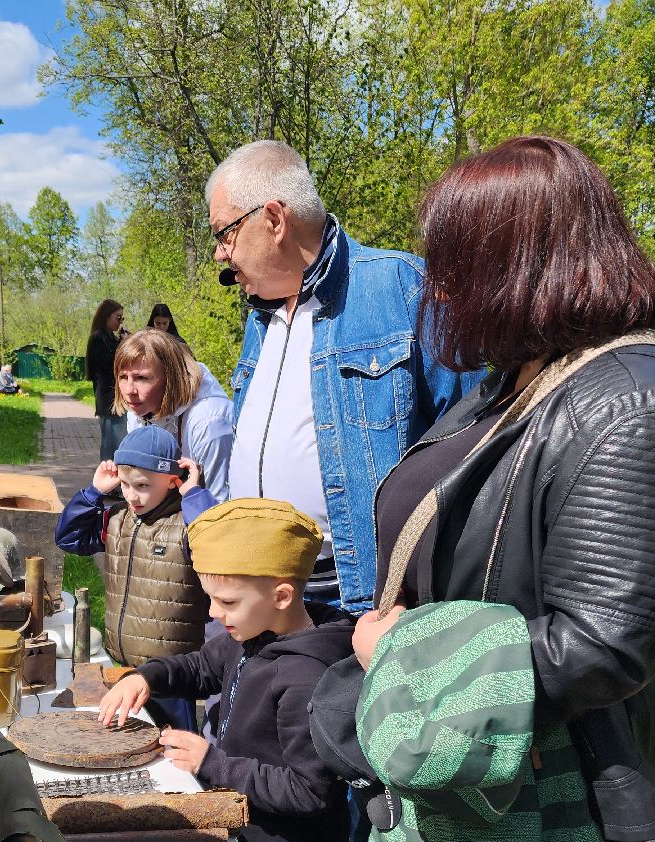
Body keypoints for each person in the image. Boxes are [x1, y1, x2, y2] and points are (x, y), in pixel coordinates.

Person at [316, 135, 655, 842]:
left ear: (523, 259)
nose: (437, 290)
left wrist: (405, 650)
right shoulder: (529, 375)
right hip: (484, 766)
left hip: (546, 794)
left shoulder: (633, 403)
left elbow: (606, 644)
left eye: (454, 265)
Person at [206, 140, 480, 612]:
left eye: (224, 233)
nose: (218, 254)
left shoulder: (403, 287)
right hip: (259, 599)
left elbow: (476, 445)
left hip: (358, 604)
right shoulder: (259, 318)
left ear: (273, 220)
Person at [100, 498, 355, 842]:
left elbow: (311, 793)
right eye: (211, 599)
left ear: (281, 596)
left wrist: (212, 763)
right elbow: (200, 665)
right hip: (246, 823)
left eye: (227, 601)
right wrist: (146, 677)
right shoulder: (251, 634)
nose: (215, 613)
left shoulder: (306, 679)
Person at [54, 424, 214, 730]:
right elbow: (68, 537)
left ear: (172, 481)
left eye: (142, 486)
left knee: (174, 748)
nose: (132, 495)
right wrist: (94, 492)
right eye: (125, 484)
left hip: (172, 675)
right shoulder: (118, 519)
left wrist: (194, 493)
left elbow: (215, 542)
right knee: (131, 737)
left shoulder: (186, 523)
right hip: (123, 667)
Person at [116, 328, 235, 501]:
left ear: (170, 377)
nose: (129, 390)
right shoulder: (140, 409)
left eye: (142, 378)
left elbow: (218, 501)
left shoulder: (209, 421)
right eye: (123, 377)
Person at [85, 298, 126, 460]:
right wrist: (123, 345)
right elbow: (109, 366)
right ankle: (108, 482)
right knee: (111, 446)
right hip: (108, 399)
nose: (120, 322)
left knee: (117, 444)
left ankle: (114, 482)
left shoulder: (108, 337)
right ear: (106, 316)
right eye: (118, 317)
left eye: (122, 318)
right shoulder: (98, 338)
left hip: (115, 399)